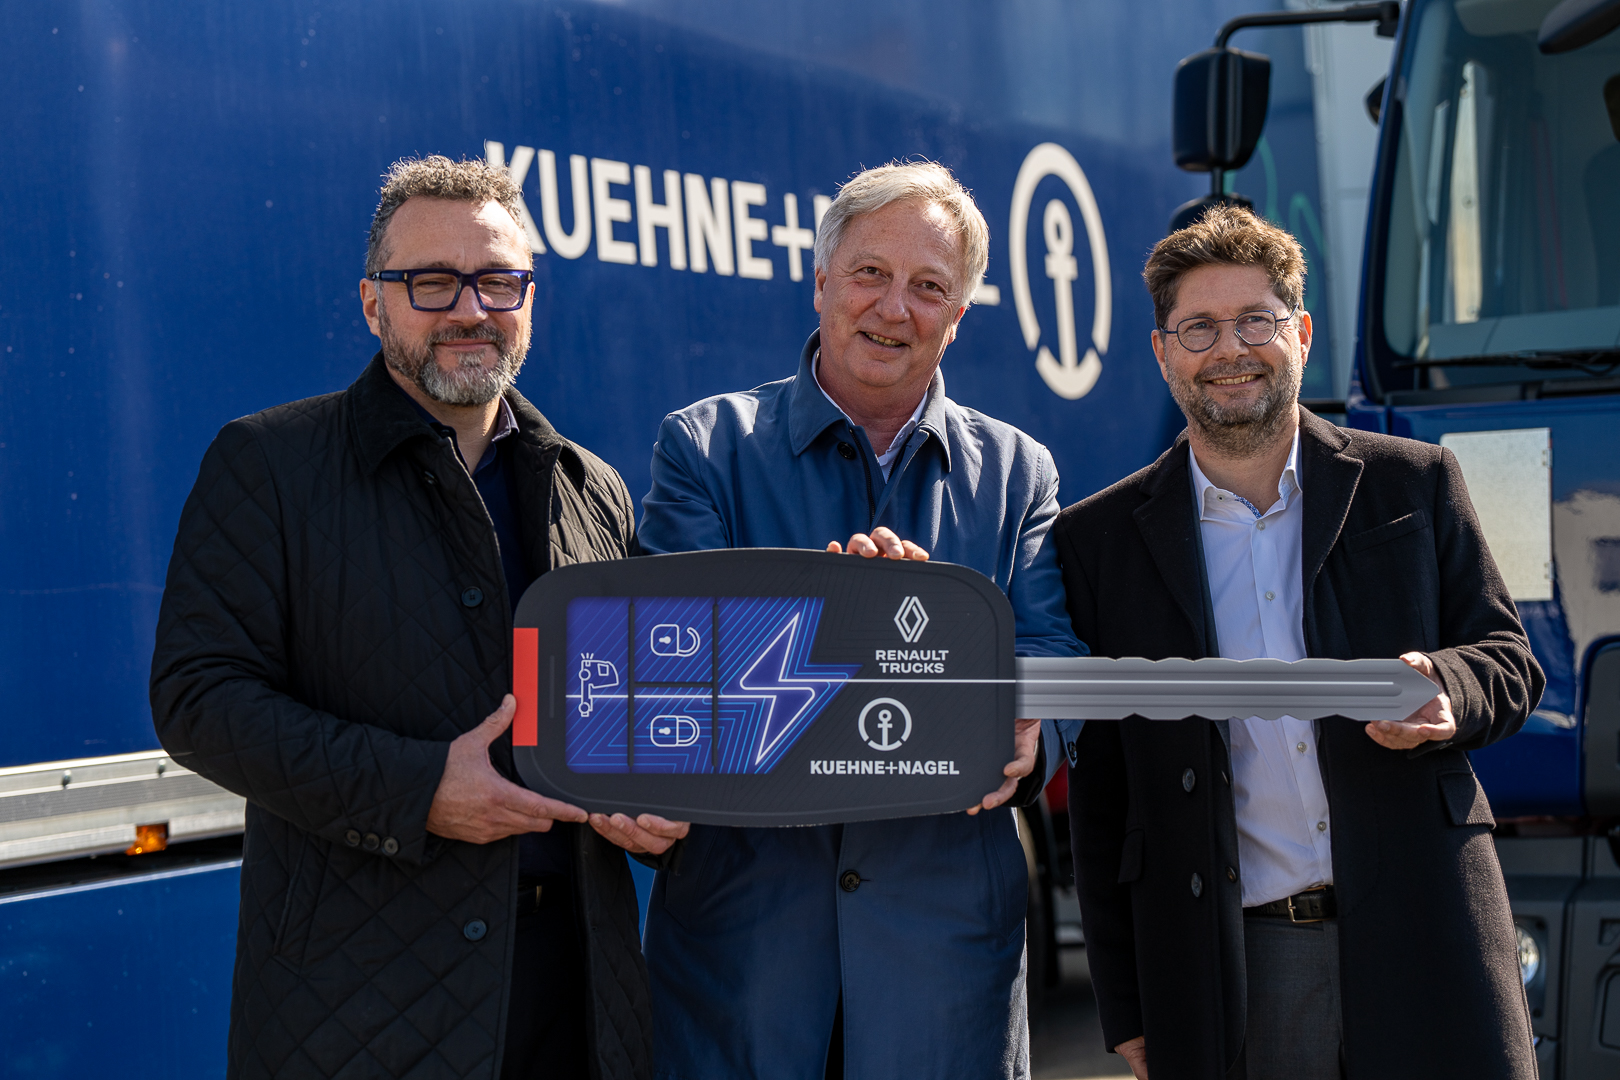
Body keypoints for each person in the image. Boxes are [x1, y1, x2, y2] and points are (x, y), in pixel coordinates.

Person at [150, 156, 652, 1080]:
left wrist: (659, 798)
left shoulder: (591, 487)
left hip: (578, 996)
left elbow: (637, 704)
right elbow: (198, 699)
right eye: (431, 282)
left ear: (530, 299)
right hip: (359, 1008)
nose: (470, 308)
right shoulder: (270, 465)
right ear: (373, 304)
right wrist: (418, 789)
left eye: (498, 280)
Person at [587, 161, 1085, 1080]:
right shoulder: (704, 448)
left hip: (941, 960)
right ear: (821, 282)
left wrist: (1035, 726)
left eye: (929, 287)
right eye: (870, 273)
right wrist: (841, 621)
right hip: (747, 956)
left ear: (958, 315)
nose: (894, 308)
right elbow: (667, 661)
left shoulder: (1021, 474)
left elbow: (1051, 648)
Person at [1051, 205, 1542, 1080]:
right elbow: (1103, 795)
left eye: (1256, 320)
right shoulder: (1100, 542)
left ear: (1301, 334)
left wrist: (1446, 686)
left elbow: (1508, 658)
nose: (1230, 349)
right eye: (1199, 328)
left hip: (1429, 932)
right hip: (1245, 963)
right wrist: (1126, 1006)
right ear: (1163, 352)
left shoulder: (1411, 482)